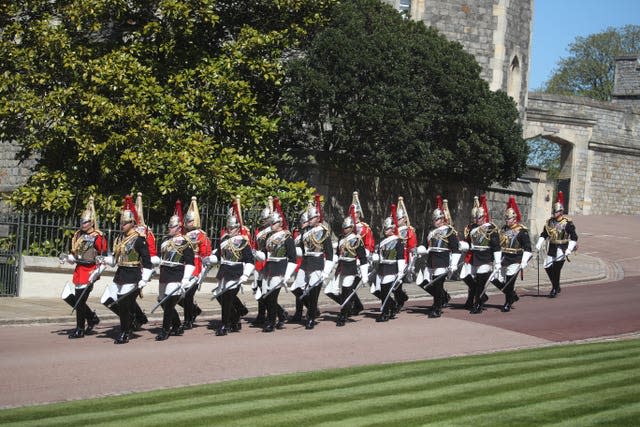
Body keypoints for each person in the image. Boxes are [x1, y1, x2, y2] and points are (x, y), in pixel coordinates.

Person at [101, 195, 153, 344]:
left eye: (125, 222)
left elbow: (148, 262)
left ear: (132, 223)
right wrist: (105, 260)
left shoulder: (139, 239)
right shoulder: (119, 239)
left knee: (125, 305)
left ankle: (125, 331)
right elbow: (115, 260)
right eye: (121, 222)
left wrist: (144, 279)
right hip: (121, 274)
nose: (122, 225)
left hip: (133, 274)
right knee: (120, 303)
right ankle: (132, 323)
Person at [60, 197, 107, 338]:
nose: (83, 224)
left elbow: (103, 257)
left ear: (91, 222)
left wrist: (97, 272)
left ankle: (80, 329)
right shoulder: (78, 235)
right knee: (77, 300)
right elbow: (74, 255)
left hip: (90, 270)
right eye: (81, 221)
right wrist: (67, 258)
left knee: (79, 301)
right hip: (79, 270)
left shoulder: (98, 236)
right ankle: (92, 317)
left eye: (85, 221)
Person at [156, 201, 195, 340]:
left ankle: (165, 330)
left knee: (168, 302)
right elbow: (159, 256)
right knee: (162, 300)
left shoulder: (185, 242)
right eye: (169, 226)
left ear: (179, 227)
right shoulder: (165, 241)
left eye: (172, 226)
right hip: (164, 273)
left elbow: (190, 263)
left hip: (176, 273)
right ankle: (177, 324)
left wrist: (185, 279)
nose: (169, 228)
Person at [255, 205, 297, 333]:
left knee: (272, 297)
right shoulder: (268, 237)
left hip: (280, 268)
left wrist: (287, 275)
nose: (271, 226)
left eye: (273, 223)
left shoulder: (287, 237)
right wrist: (256, 254)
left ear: (279, 223)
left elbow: (292, 257)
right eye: (270, 223)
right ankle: (278, 318)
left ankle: (271, 322)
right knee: (266, 297)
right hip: (269, 268)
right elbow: (265, 254)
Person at [325, 207, 369, 326]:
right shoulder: (341, 238)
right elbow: (338, 255)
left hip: (350, 267)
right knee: (330, 290)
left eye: (347, 228)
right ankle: (351, 306)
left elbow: (363, 258)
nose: (345, 230)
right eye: (344, 228)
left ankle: (343, 315)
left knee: (346, 291)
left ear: (352, 227)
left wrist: (364, 275)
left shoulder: (357, 239)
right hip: (340, 267)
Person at [296, 194, 334, 330]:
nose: (309, 220)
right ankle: (313, 308)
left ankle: (311, 317)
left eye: (311, 218)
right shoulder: (305, 231)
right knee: (296, 287)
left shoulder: (324, 232)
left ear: (317, 218)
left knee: (313, 292)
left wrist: (326, 272)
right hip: (305, 262)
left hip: (317, 262)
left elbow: (330, 254)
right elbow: (301, 248)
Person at [418, 205, 461, 318]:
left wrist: (454, 264)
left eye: (437, 219)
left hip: (442, 260)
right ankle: (443, 297)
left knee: (437, 285)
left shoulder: (449, 230)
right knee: (425, 283)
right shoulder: (431, 232)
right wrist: (421, 248)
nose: (435, 221)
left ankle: (437, 307)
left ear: (442, 219)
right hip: (431, 260)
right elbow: (425, 244)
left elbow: (455, 248)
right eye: (434, 219)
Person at [251, 197, 288, 326]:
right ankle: (265, 314)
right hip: (260, 261)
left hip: (269, 262)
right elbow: (256, 246)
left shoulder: (274, 233)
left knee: (267, 292)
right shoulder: (260, 231)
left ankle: (273, 314)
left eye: (266, 219)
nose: (264, 222)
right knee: (259, 290)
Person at [535, 191, 578, 298]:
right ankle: (556, 285)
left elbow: (574, 237)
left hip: (562, 247)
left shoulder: (567, 223)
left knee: (556, 269)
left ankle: (554, 289)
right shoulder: (550, 222)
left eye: (556, 211)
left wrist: (569, 249)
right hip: (552, 246)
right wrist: (539, 242)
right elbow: (544, 233)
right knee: (547, 265)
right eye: (554, 211)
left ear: (561, 211)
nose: (554, 213)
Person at [466, 194, 501, 314]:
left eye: (479, 217)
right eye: (476, 218)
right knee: (467, 276)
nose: (477, 220)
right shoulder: (473, 228)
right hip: (474, 257)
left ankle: (478, 305)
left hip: (485, 257)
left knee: (481, 282)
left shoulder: (491, 228)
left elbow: (496, 246)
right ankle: (480, 297)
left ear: (484, 217)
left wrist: (497, 262)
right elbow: (469, 243)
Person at [181, 196, 213, 328]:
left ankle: (188, 320)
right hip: (184, 267)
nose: (186, 223)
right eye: (186, 221)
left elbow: (205, 255)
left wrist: (202, 273)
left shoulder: (201, 235)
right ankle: (194, 311)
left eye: (189, 221)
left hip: (196, 268)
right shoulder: (184, 235)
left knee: (188, 296)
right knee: (181, 296)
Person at [497, 196, 532, 312]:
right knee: (497, 279)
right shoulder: (503, 229)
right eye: (506, 218)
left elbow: (527, 247)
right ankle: (512, 295)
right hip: (504, 258)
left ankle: (507, 302)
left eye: (509, 218)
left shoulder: (522, 231)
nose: (507, 220)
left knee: (509, 282)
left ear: (514, 218)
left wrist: (524, 261)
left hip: (515, 258)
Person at [371, 209, 405, 322]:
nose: (386, 230)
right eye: (385, 228)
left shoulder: (398, 241)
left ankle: (385, 313)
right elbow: (378, 255)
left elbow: (400, 257)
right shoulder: (381, 241)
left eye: (388, 228)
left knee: (385, 291)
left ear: (393, 228)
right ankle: (392, 305)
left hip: (391, 268)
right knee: (379, 290)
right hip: (381, 268)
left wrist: (400, 271)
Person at [394, 196, 417, 309]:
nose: (397, 221)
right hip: (393, 259)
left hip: (404, 259)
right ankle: (401, 297)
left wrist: (411, 265)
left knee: (398, 282)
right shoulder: (393, 231)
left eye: (398, 219)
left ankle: (399, 301)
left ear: (404, 219)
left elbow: (412, 248)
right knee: (394, 282)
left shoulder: (409, 230)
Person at [290, 211, 311, 322]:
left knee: (307, 290)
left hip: (308, 263)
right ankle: (299, 312)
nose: (303, 223)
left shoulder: (311, 232)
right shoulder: (297, 232)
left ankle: (310, 311)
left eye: (306, 221)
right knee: (298, 289)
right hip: (298, 264)